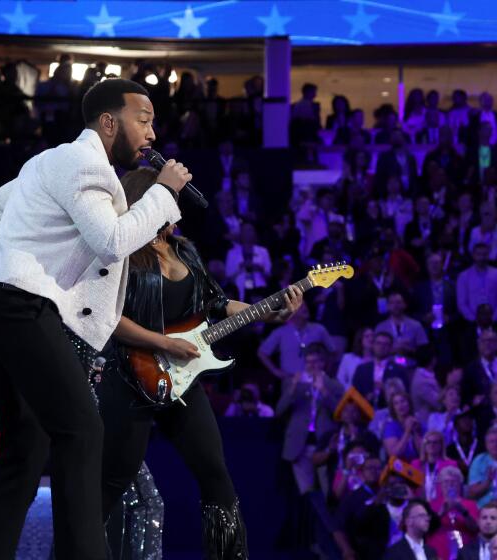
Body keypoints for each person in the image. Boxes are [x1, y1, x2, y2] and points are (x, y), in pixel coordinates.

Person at [0, 79, 188, 560]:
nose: (152, 133)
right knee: (82, 432)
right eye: (144, 119)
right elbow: (112, 239)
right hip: (19, 309)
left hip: (1, 307)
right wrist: (165, 194)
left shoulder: (48, 162)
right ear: (109, 122)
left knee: (25, 451)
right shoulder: (84, 164)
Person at [97, 166, 302, 559]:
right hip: (130, 377)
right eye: (171, 199)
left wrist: (270, 312)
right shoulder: (121, 254)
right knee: (112, 482)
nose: (178, 208)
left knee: (215, 473)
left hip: (183, 380)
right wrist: (164, 344)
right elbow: (107, 318)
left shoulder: (185, 249)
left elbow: (217, 304)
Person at [276, 344, 343, 495]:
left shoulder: (334, 386)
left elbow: (340, 413)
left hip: (324, 444)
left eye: (315, 362)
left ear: (323, 363)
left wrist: (323, 391)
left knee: (327, 493)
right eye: (308, 362)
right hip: (300, 444)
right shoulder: (294, 384)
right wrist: (293, 387)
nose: (311, 365)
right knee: (306, 494)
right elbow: (279, 411)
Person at [426, 465, 478, 560]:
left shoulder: (470, 504)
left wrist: (463, 511)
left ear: (460, 485)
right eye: (446, 482)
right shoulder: (432, 505)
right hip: (437, 554)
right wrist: (441, 513)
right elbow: (426, 528)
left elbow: (475, 528)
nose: (450, 485)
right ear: (440, 485)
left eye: (454, 482)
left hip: (465, 554)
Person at [468, 426, 497, 508]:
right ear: (486, 444)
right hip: (484, 507)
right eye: (492, 441)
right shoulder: (479, 461)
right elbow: (472, 493)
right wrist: (487, 482)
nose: (495, 444)